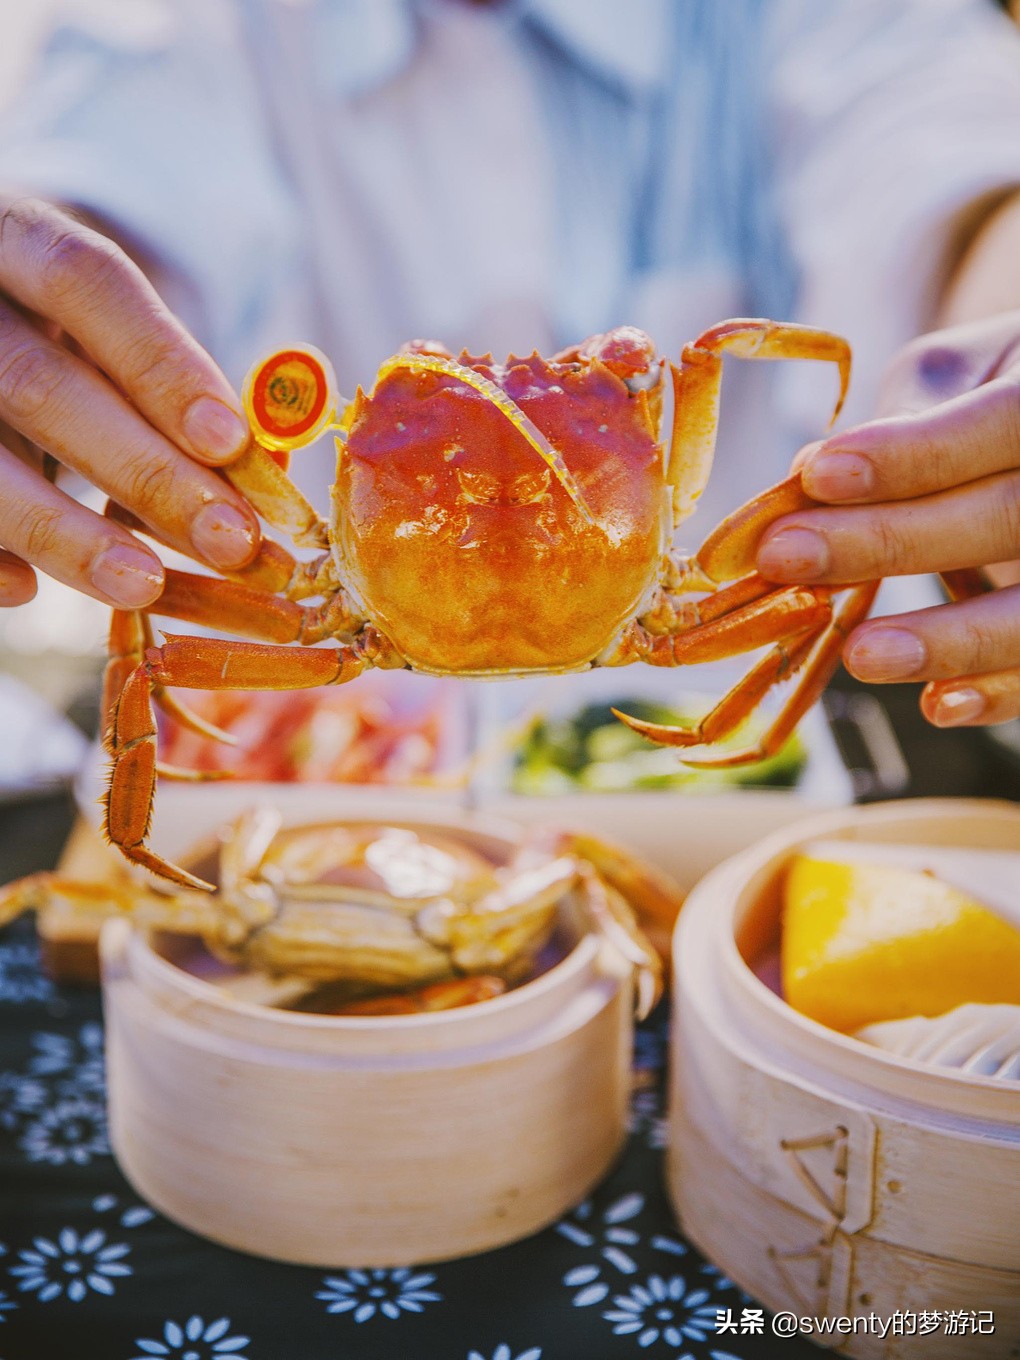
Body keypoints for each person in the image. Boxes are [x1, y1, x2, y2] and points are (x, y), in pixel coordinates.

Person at [0, 0, 1019, 728]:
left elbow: (960, 159)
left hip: (739, 779)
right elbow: (95, 198)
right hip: (346, 757)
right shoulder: (189, 22)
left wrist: (1000, 342)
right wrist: (38, 333)